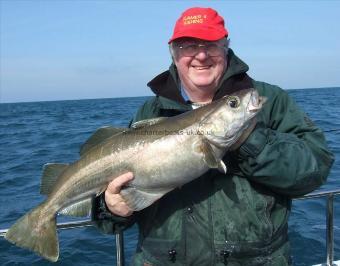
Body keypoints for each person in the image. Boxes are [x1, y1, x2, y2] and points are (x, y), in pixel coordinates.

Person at [92, 7, 334, 266]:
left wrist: (250, 139)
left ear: (226, 48)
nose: (201, 55)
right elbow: (114, 211)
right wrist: (112, 209)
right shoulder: (150, 112)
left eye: (211, 44)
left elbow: (314, 170)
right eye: (188, 46)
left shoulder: (267, 100)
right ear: (174, 54)